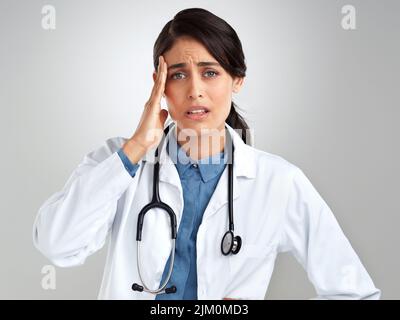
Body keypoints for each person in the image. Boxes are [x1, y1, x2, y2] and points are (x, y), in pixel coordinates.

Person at [32, 8, 381, 300]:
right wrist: (138, 145)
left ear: (237, 80)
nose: (195, 91)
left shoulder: (279, 182)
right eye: (179, 75)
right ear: (159, 84)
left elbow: (355, 291)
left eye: (210, 72)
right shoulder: (119, 161)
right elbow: (57, 244)